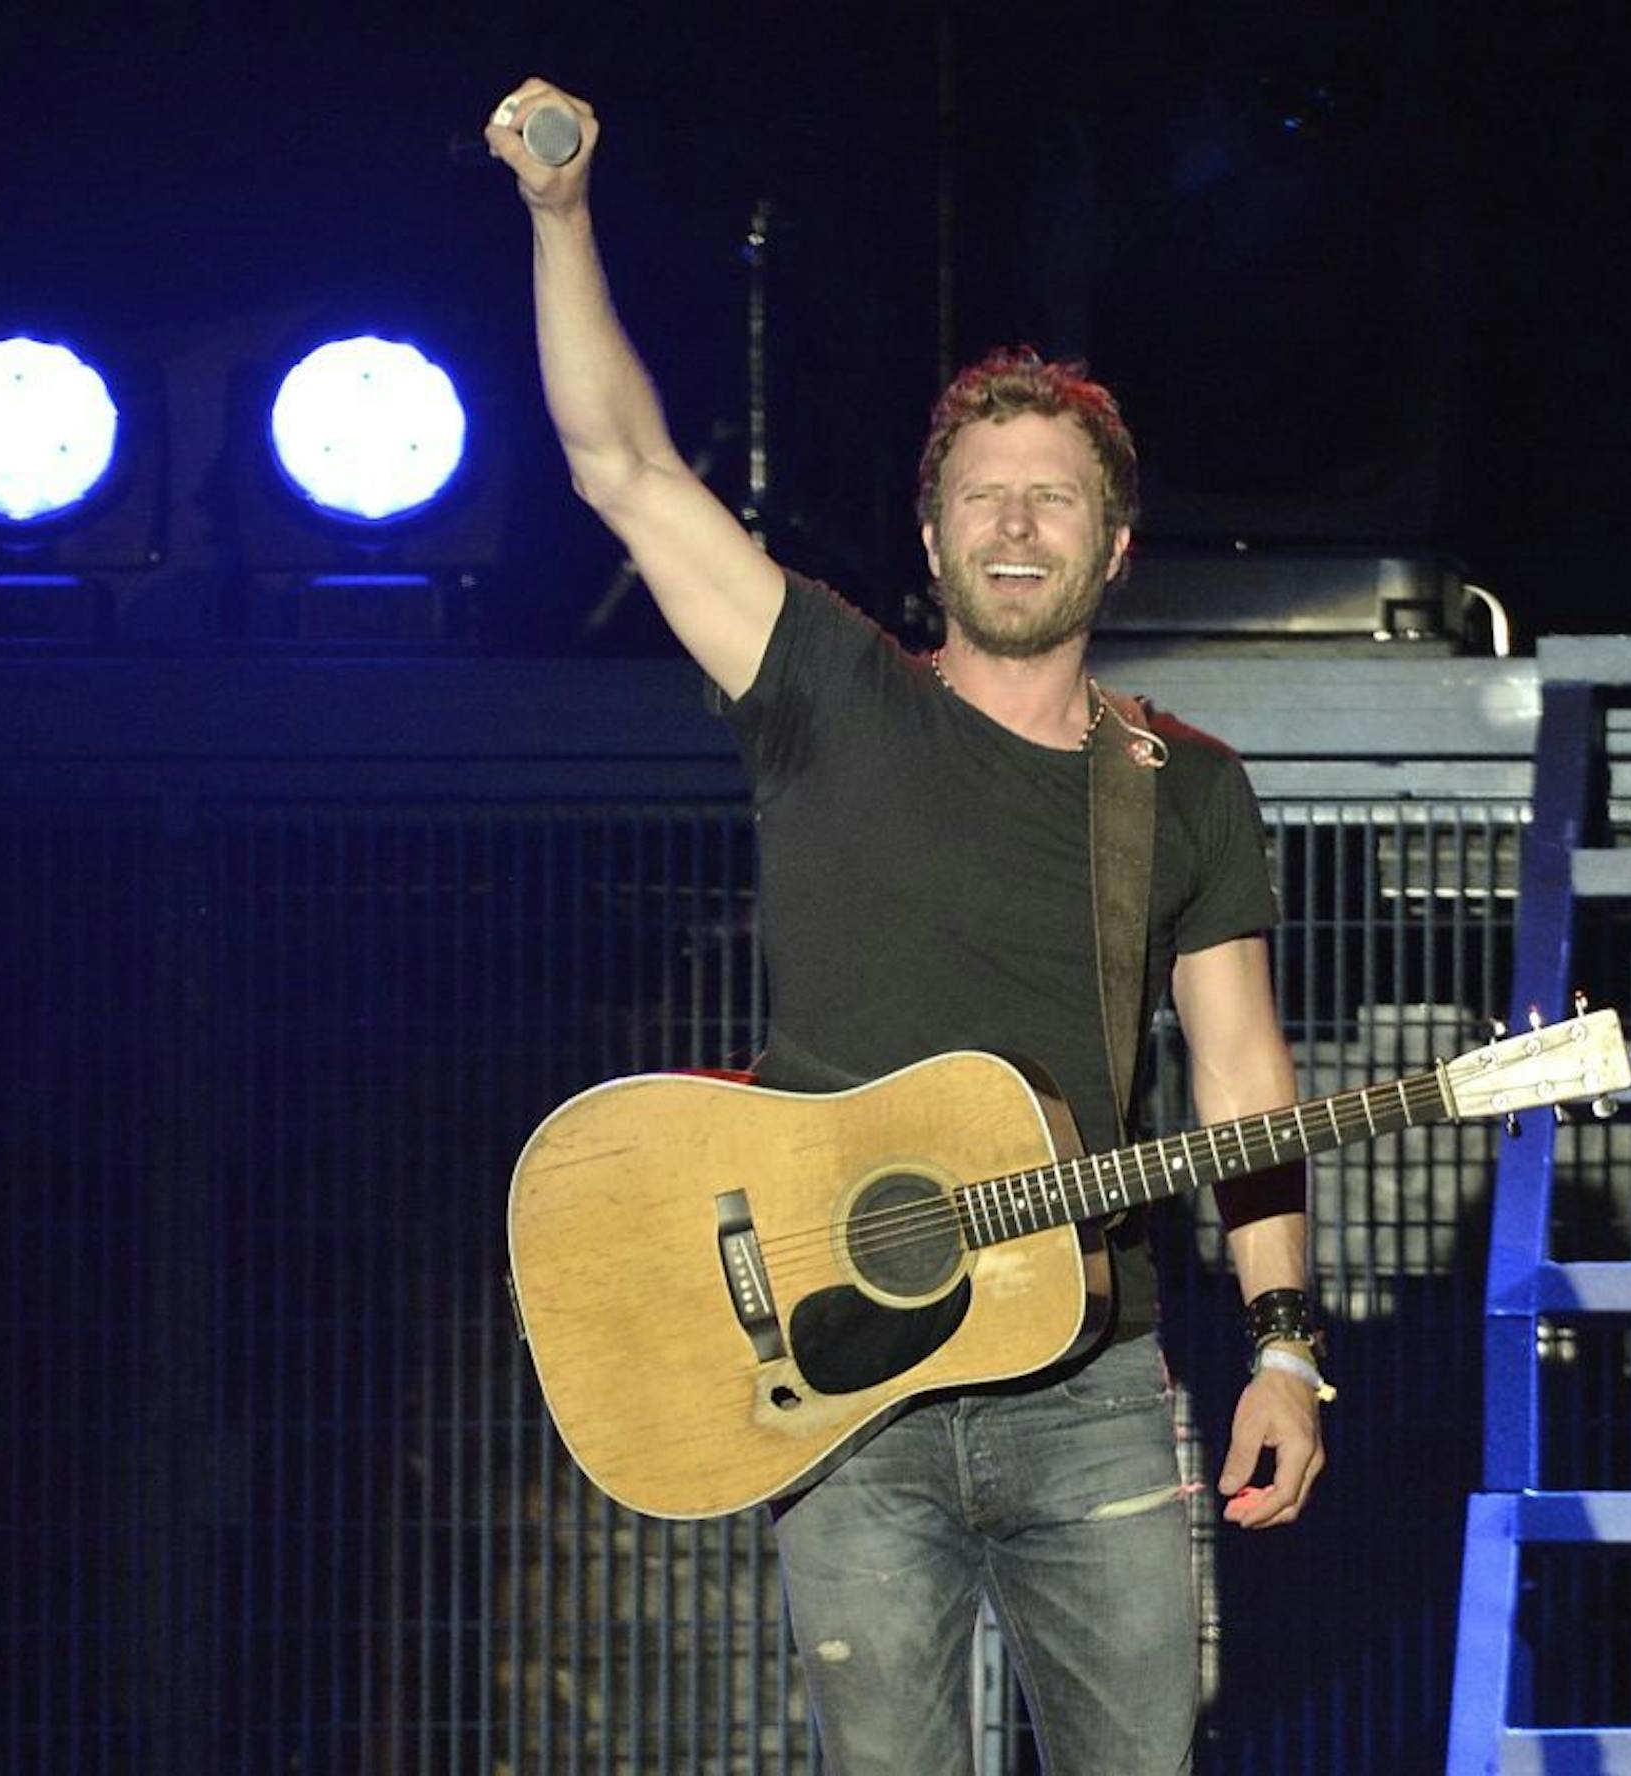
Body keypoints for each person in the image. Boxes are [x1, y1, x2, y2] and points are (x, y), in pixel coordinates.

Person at [487, 77, 1326, 1776]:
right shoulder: (827, 693)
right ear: (931, 534)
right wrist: (559, 219)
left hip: (1091, 1381)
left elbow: (1243, 1076)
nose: (1018, 526)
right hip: (840, 1386)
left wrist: (1290, 1346)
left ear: (1117, 543)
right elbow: (622, 466)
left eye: (1058, 500)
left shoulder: (1186, 789)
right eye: (985, 498)